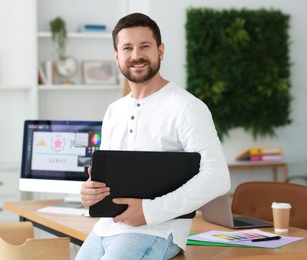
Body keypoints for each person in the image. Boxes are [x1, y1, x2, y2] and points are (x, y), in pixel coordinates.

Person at [75, 13, 230, 259]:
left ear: (161, 50)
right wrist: (89, 193)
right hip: (105, 228)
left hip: (156, 231)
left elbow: (217, 178)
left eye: (144, 46)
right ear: (117, 56)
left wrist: (150, 211)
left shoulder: (188, 107)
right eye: (127, 48)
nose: (136, 55)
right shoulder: (114, 110)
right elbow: (110, 176)